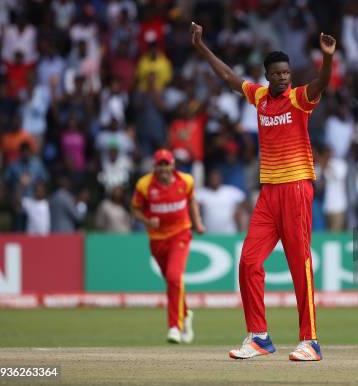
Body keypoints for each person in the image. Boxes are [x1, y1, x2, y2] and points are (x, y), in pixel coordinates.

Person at [190, 21, 336, 361]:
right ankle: (259, 336)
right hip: (268, 194)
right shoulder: (259, 97)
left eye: (287, 72)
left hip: (297, 188)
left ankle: (310, 341)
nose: (284, 77)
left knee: (300, 264)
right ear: (268, 75)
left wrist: (327, 58)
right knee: (248, 261)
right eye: (278, 73)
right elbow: (228, 77)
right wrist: (200, 46)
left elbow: (323, 82)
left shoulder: (300, 99)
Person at [131, 149, 206, 344]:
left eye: (167, 165)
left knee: (174, 277)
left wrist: (197, 222)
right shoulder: (145, 185)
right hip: (157, 240)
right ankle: (186, 313)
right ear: (155, 167)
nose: (164, 169)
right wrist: (147, 221)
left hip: (180, 234)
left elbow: (191, 201)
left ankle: (175, 327)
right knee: (172, 283)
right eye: (160, 165)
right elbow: (135, 209)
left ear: (172, 166)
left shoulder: (186, 181)